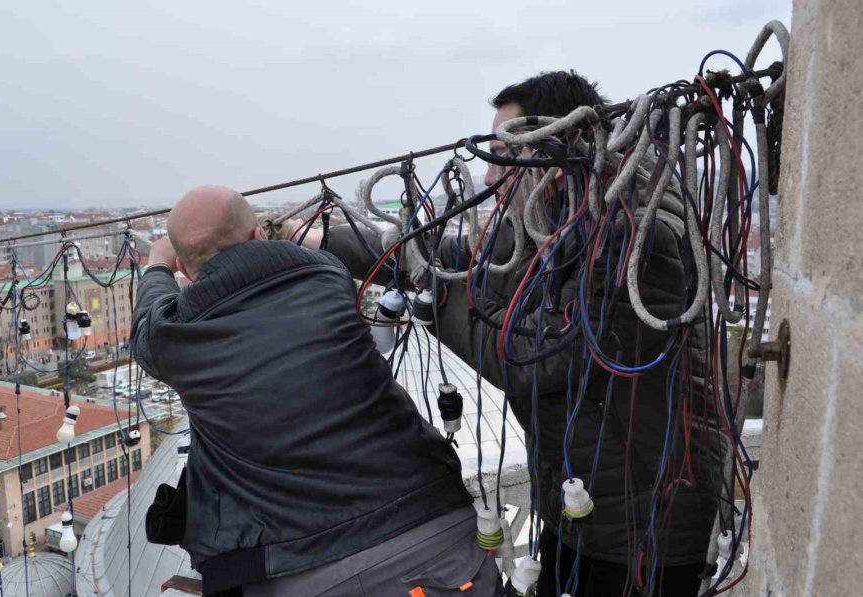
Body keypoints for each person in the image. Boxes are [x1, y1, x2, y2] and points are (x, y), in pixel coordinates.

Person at [277, 71, 724, 596]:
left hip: (645, 525)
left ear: (554, 151)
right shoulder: (551, 222)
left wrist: (430, 295)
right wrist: (325, 237)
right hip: (587, 507)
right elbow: (454, 260)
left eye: (504, 154)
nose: (490, 178)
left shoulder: (636, 237)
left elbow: (533, 359)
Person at [131, 186, 504, 596]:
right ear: (257, 237)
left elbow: (148, 326)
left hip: (295, 569)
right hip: (433, 532)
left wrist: (156, 267)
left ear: (185, 269)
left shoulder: (177, 338)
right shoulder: (327, 276)